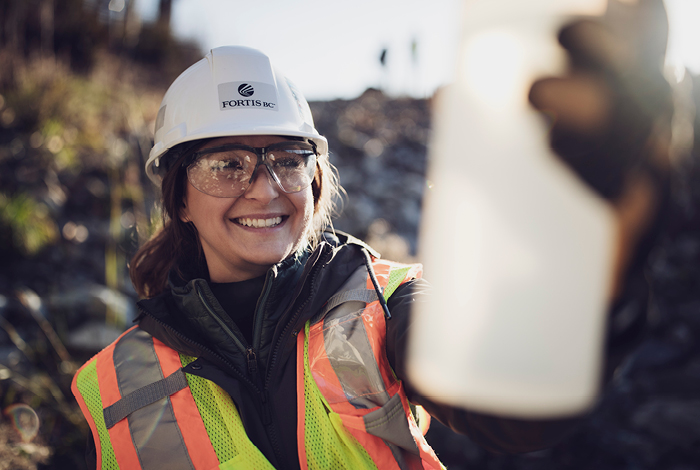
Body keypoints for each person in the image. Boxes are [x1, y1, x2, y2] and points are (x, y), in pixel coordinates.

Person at [70, 3, 673, 468]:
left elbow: (513, 407)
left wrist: (586, 278)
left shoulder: (385, 306)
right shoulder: (118, 379)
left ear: (314, 178)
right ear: (178, 196)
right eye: (228, 164)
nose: (265, 188)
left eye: (287, 159)